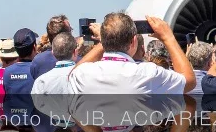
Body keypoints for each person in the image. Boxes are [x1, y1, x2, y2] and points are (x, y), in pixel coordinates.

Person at [66, 13, 195, 95]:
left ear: (104, 41)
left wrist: (102, 43)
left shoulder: (85, 73)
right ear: (134, 42)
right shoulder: (148, 73)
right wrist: (168, 38)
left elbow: (72, 75)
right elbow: (189, 82)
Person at [28, 31, 77, 99]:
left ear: (53, 53)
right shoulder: (86, 76)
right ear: (75, 52)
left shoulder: (41, 81)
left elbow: (37, 103)